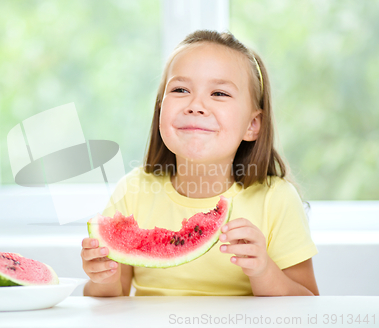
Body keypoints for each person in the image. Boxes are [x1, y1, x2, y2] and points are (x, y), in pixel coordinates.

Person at [81, 30, 319, 297]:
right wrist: (103, 276)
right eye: (180, 89)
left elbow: (307, 302)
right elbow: (112, 298)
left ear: (252, 125)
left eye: (219, 93)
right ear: (160, 110)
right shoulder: (133, 190)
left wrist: (264, 270)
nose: (196, 105)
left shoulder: (275, 199)